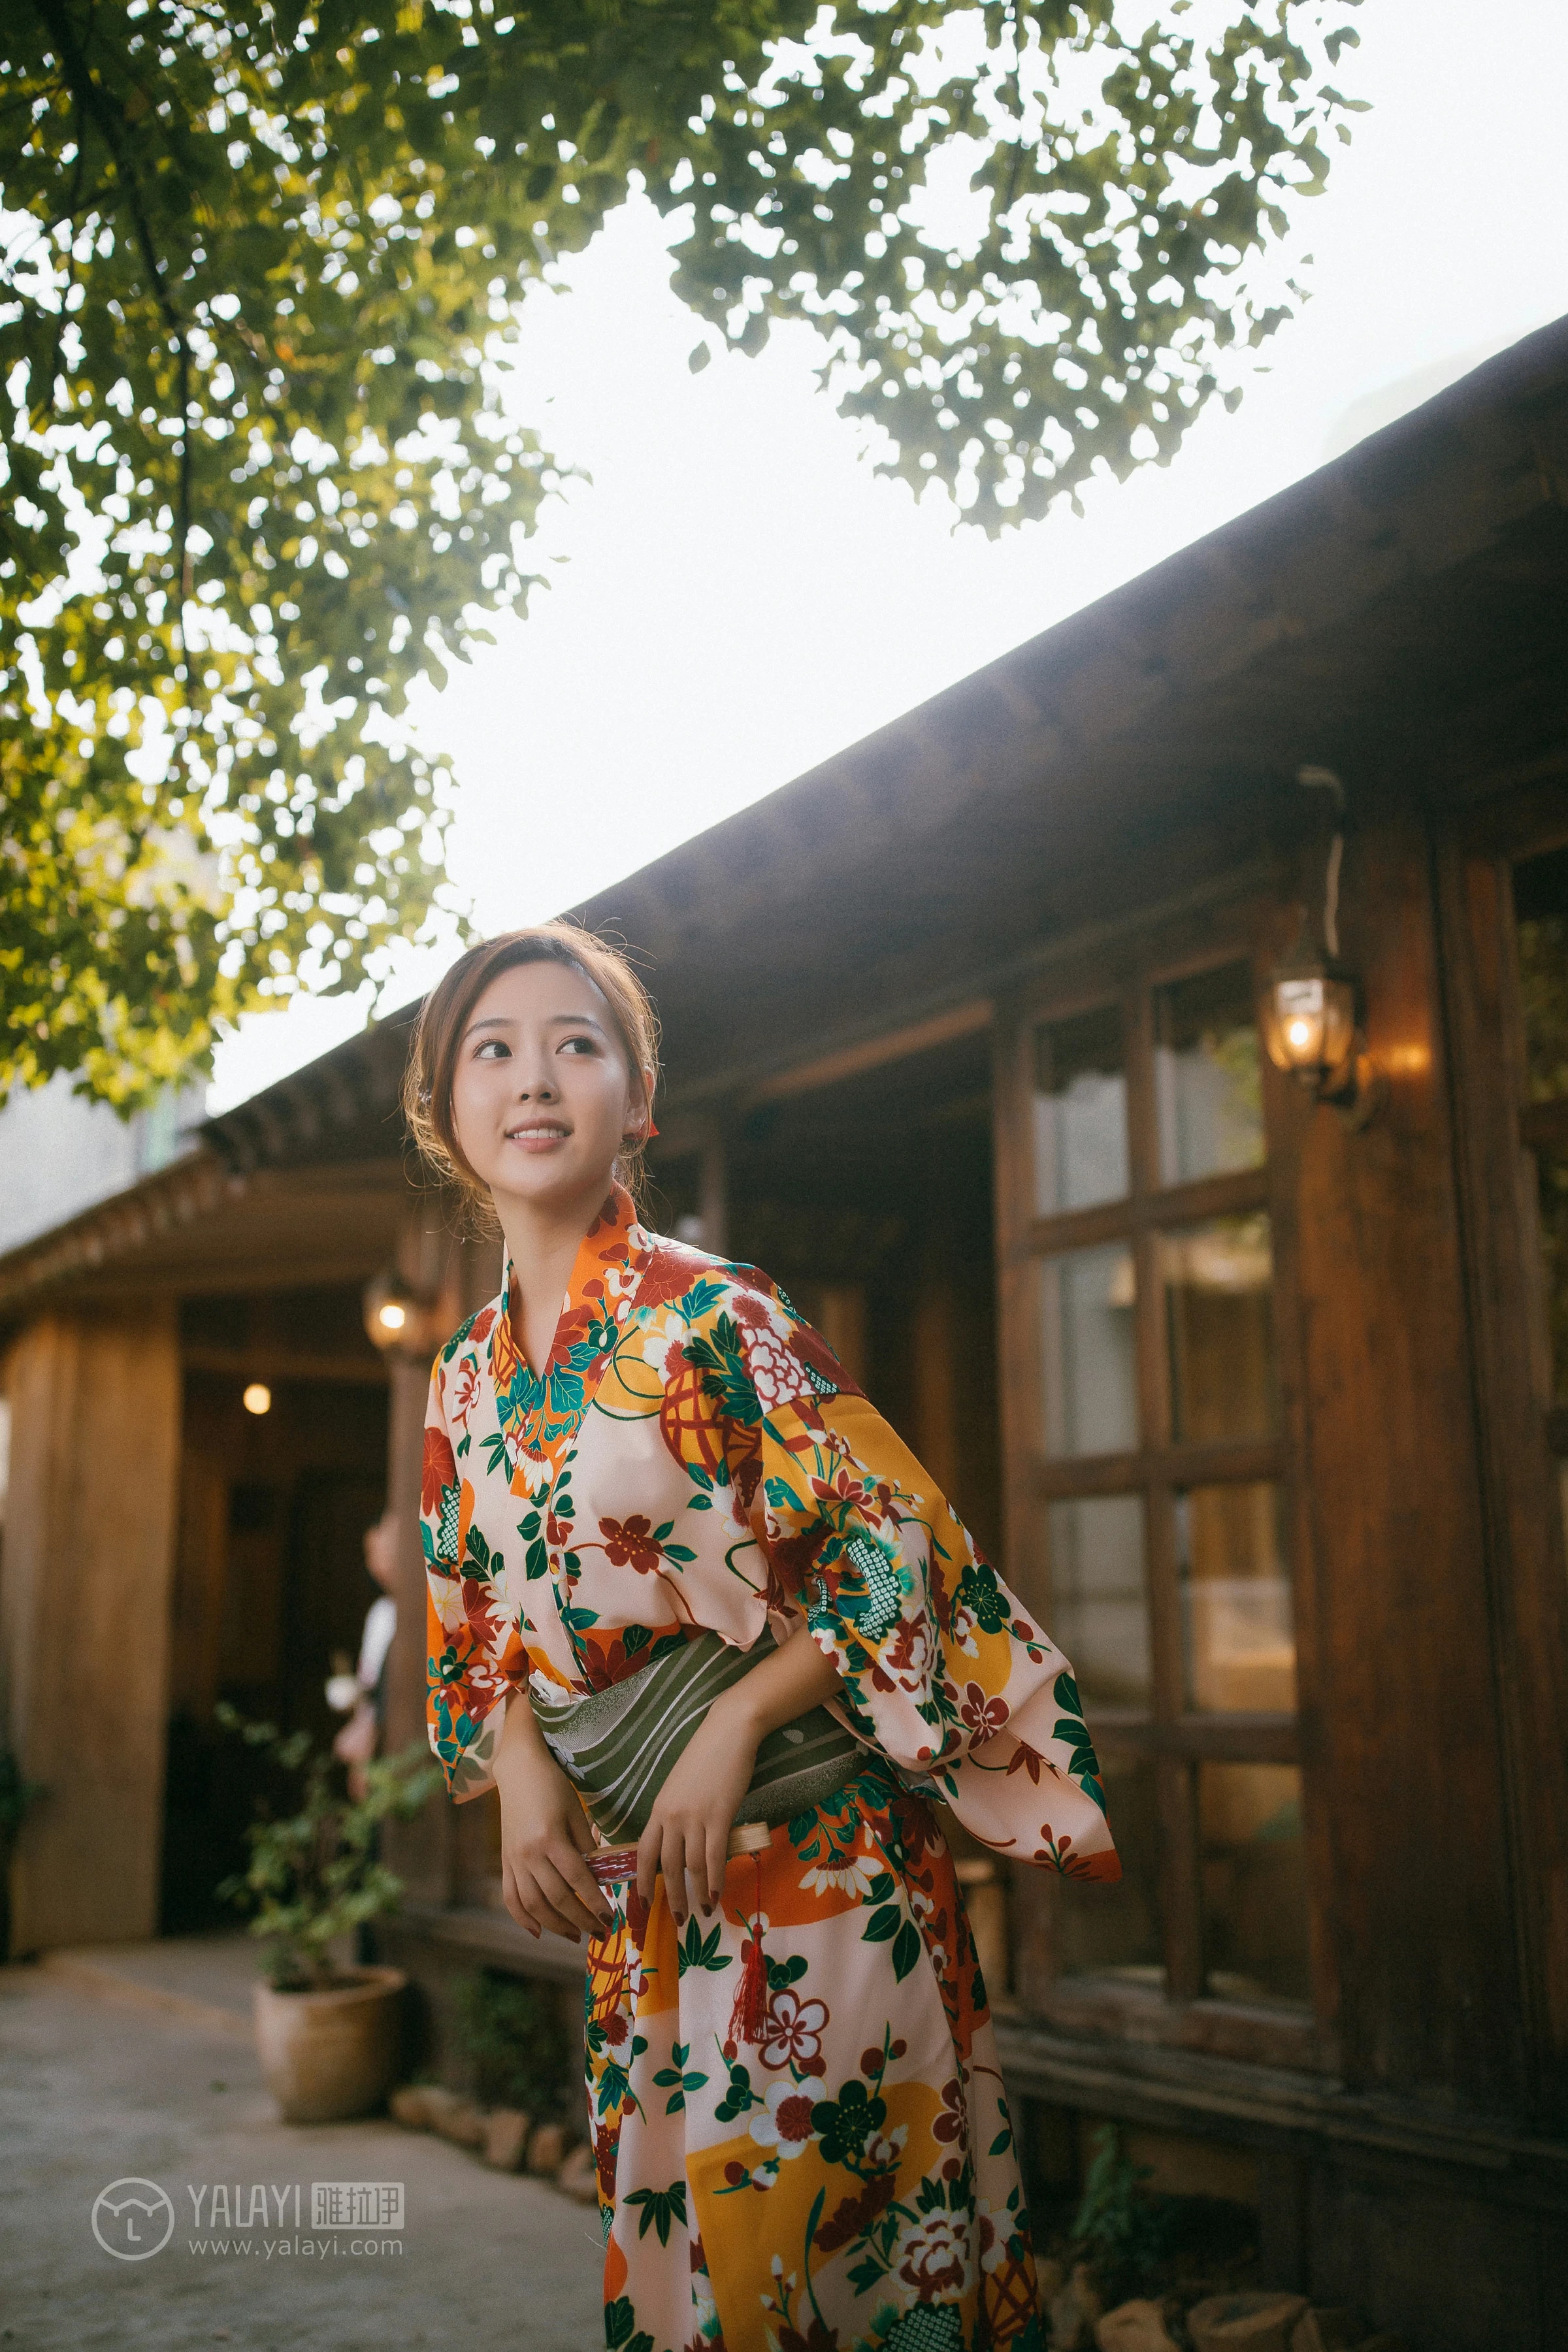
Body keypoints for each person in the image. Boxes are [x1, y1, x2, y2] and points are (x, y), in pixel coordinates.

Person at [406, 922, 1119, 2352]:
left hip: (821, 1865)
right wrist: (522, 1768)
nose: (534, 1079)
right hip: (647, 1895)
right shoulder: (464, 1379)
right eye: (493, 1051)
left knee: (847, 2260)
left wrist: (734, 1716)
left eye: (575, 1046)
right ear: (446, 1115)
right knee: (702, 2276)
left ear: (639, 1098)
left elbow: (893, 1548)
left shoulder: (719, 1318)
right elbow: (472, 1619)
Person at [329, 1509, 399, 1802]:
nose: (374, 1562)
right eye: (368, 1552)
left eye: (377, 1546)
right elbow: (368, 1687)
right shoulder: (381, 1614)